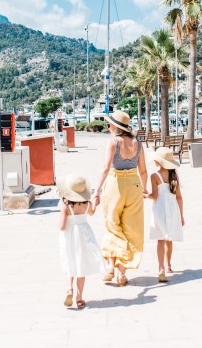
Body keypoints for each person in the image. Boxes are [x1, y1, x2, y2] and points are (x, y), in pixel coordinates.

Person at [94, 110, 147, 287]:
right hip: (134, 185)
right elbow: (144, 170)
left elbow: (105, 168)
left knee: (112, 225)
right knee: (131, 229)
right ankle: (122, 274)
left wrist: (97, 191)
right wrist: (144, 189)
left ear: (116, 126)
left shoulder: (113, 142)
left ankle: (110, 266)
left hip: (115, 185)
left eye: (109, 124)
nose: (108, 127)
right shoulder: (138, 144)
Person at [58, 173, 105, 309]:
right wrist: (95, 203)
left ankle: (69, 290)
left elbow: (62, 226)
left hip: (69, 236)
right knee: (81, 265)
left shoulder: (65, 206)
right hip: (83, 235)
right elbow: (92, 212)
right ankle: (79, 298)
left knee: (70, 263)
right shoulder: (87, 204)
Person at [147, 147, 184, 283]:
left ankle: (161, 269)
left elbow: (155, 196)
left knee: (160, 240)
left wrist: (145, 196)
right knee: (169, 240)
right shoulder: (174, 176)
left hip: (160, 210)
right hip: (173, 210)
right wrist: (182, 215)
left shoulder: (154, 176)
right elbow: (179, 197)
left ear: (159, 161)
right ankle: (169, 265)